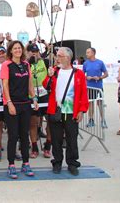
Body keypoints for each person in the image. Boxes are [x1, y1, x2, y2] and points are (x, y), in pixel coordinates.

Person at [44, 47, 88, 175]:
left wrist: (82, 110)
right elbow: (46, 85)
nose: (57, 58)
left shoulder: (78, 74)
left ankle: (72, 163)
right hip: (55, 110)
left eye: (59, 56)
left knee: (71, 139)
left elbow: (83, 94)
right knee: (56, 139)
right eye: (57, 56)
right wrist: (49, 76)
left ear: (68, 58)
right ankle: (57, 162)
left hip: (71, 112)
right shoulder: (55, 72)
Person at [1, 40, 39, 179]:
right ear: (10, 51)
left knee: (24, 135)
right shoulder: (6, 65)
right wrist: (9, 103)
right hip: (12, 104)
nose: (17, 50)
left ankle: (26, 163)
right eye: (15, 48)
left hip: (25, 104)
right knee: (13, 135)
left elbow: (29, 84)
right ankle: (11, 165)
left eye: (19, 48)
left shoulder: (26, 64)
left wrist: (34, 98)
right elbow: (4, 85)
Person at [27, 43, 51, 159]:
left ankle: (47, 147)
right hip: (32, 96)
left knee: (50, 121)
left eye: (36, 52)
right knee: (33, 123)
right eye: (31, 52)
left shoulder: (45, 62)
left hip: (45, 95)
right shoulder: (26, 64)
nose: (34, 54)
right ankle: (34, 147)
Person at [83, 47, 108, 128]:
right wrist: (87, 77)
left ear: (93, 53)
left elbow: (106, 74)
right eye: (86, 52)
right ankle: (91, 120)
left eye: (88, 52)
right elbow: (82, 75)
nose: (86, 54)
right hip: (89, 87)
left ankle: (103, 120)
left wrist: (99, 77)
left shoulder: (100, 62)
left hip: (98, 87)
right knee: (90, 103)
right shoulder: (85, 63)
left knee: (100, 103)